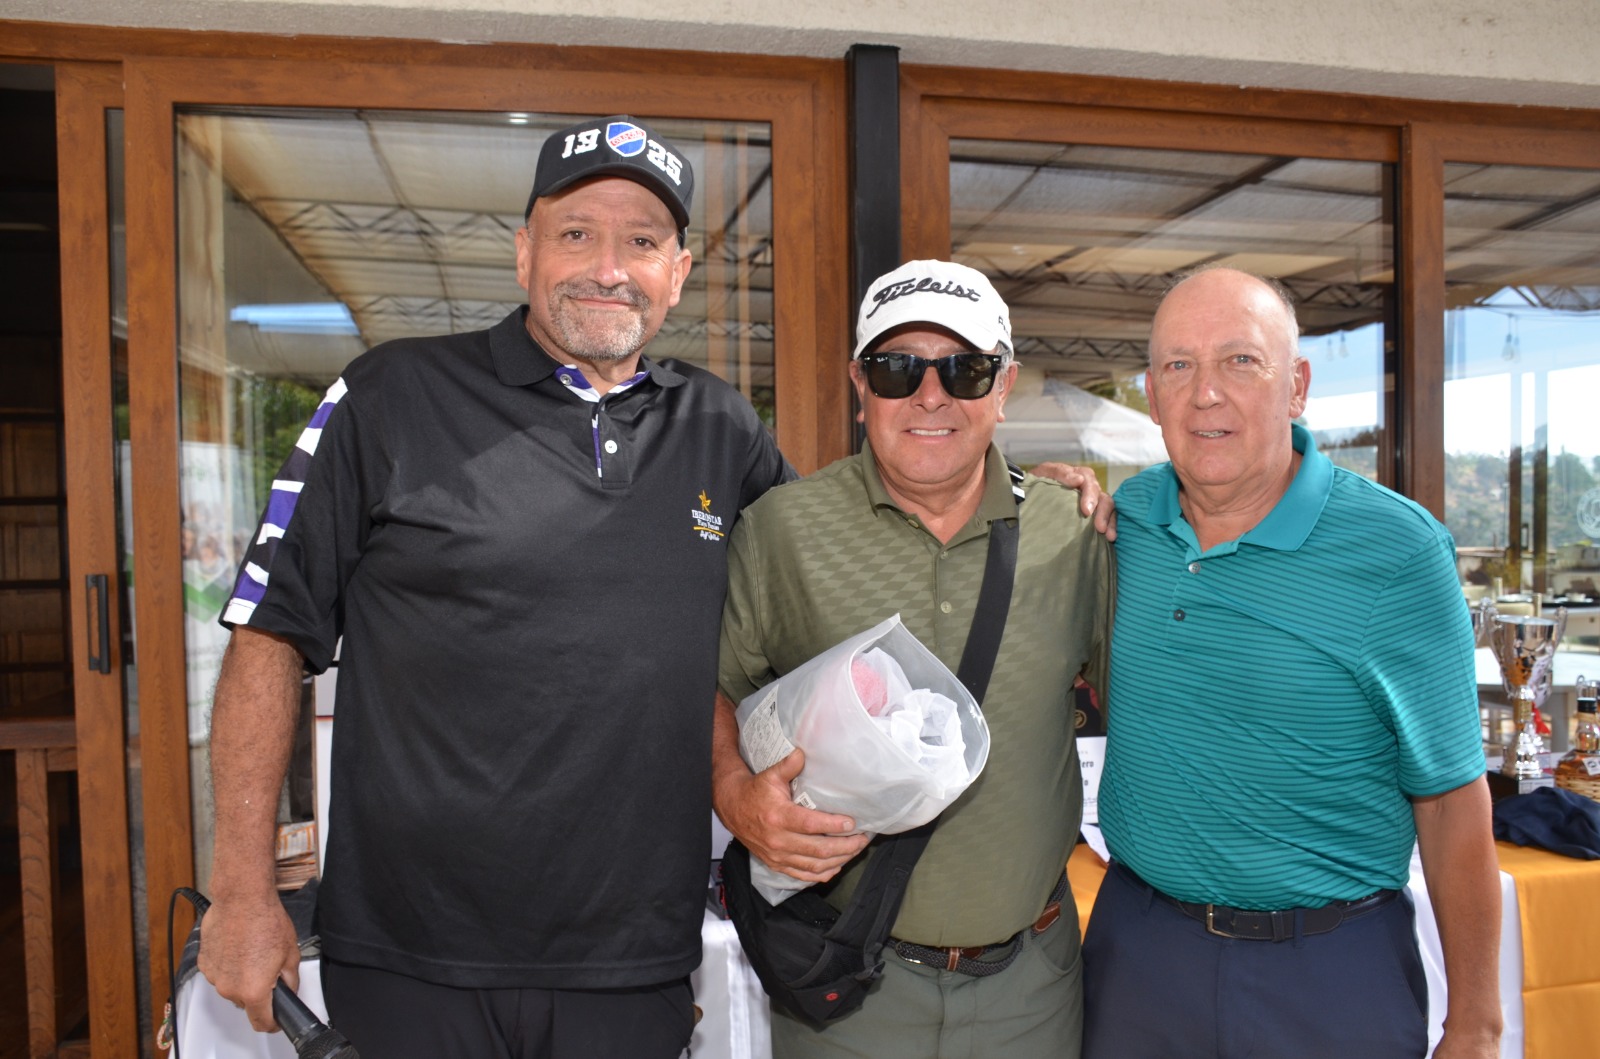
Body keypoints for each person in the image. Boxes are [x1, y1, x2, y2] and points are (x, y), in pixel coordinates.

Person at [197, 115, 794, 1059]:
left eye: (642, 241)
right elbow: (269, 633)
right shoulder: (389, 397)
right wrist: (240, 889)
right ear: (523, 254)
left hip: (632, 959)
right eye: (576, 233)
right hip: (410, 959)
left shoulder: (723, 429)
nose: (609, 268)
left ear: (678, 273)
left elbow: (809, 597)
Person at [1085, 266, 1500, 1059]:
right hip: (1138, 959)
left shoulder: (1398, 552)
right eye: (1179, 365)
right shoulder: (1125, 521)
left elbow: (1453, 801)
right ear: (1152, 395)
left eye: (1240, 360)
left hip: (1328, 974)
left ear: (1297, 386)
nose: (1206, 392)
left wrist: (1477, 1025)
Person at [713, 259, 1115, 1058]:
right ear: (859, 385)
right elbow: (716, 689)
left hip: (1032, 990)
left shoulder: (1074, 534)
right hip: (847, 985)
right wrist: (734, 793)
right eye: (899, 369)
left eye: (965, 370)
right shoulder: (782, 531)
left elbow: (1156, 699)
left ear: (1004, 386)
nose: (932, 396)